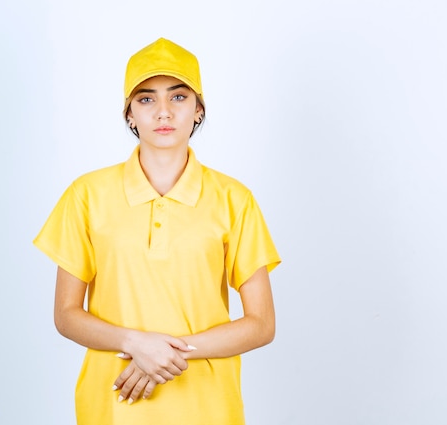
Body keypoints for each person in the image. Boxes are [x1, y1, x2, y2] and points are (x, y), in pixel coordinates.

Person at [33, 37, 281, 425]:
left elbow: (262, 323)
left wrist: (165, 354)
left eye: (178, 98)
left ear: (199, 110)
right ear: (129, 114)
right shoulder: (87, 195)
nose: (163, 112)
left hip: (207, 405)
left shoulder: (234, 199)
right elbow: (66, 314)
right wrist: (134, 344)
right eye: (146, 99)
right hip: (114, 403)